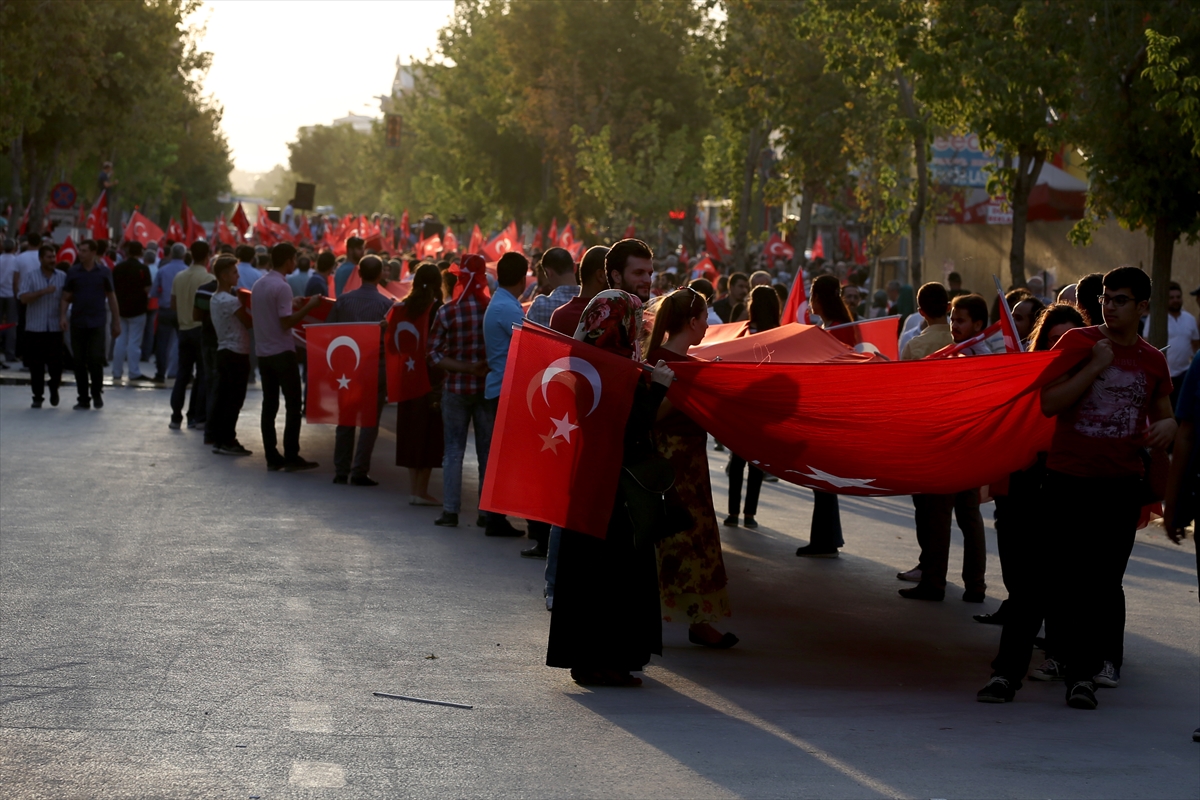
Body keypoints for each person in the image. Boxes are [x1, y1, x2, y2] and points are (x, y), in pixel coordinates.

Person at [1034, 267, 1175, 710]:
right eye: (1105, 299)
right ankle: (1066, 661)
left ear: (1142, 308)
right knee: (1063, 576)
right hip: (1068, 477)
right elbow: (1050, 403)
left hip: (1119, 484)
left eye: (1120, 300)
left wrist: (1168, 426)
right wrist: (1095, 365)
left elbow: (1164, 413)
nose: (1109, 306)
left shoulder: (1153, 360)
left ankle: (1091, 669)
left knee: (1103, 581)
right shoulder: (1078, 343)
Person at [546, 290, 675, 686]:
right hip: (614, 484)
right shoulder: (616, 364)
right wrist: (658, 389)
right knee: (613, 572)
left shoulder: (583, 356)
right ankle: (609, 661)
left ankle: (588, 659)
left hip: (588, 477)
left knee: (587, 569)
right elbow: (630, 427)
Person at [646, 286, 738, 649]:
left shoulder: (672, 359)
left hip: (689, 463)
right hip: (671, 463)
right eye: (704, 318)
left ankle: (700, 619)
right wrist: (691, 387)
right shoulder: (664, 362)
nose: (707, 325)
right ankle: (694, 619)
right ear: (693, 321)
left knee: (693, 541)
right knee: (682, 540)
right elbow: (654, 415)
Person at [428, 254, 501, 530]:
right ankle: (485, 512)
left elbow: (432, 355)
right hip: (486, 389)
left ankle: (450, 511)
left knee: (453, 450)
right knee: (485, 451)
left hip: (456, 388)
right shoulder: (492, 310)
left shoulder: (447, 312)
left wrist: (464, 368)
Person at [323, 254, 395, 485]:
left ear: (360, 273)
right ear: (380, 275)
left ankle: (341, 470)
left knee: (345, 417)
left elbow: (328, 331)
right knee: (369, 421)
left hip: (348, 369)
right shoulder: (387, 305)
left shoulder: (343, 301)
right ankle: (360, 471)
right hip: (376, 368)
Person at [795, 275, 852, 558]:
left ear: (819, 298)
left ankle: (825, 539)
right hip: (824, 409)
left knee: (822, 480)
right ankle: (827, 537)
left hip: (830, 411)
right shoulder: (830, 327)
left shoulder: (838, 330)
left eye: (812, 295)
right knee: (821, 481)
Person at [253, 242, 322, 472]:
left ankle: (272, 456)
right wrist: (309, 307)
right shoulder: (282, 287)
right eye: (294, 258)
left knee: (269, 405)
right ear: (288, 260)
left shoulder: (260, 284)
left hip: (264, 352)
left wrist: (292, 305)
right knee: (293, 404)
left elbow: (272, 313)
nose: (295, 262)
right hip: (282, 352)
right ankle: (291, 455)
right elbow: (286, 322)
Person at [478, 252, 529, 539]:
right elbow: (527, 343)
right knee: (501, 459)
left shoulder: (503, 303)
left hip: (499, 387)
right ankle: (494, 518)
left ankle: (492, 516)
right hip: (503, 389)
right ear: (523, 278)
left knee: (497, 457)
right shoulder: (507, 308)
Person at [725, 285, 779, 528]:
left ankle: (733, 513)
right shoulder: (782, 335)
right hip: (767, 406)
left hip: (744, 404)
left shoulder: (746, 331)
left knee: (737, 461)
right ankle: (750, 514)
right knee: (756, 463)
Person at [395, 262, 445, 506]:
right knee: (429, 432)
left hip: (407, 376)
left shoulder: (402, 308)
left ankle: (413, 489)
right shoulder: (438, 309)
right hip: (430, 379)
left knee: (411, 430)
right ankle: (422, 491)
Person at [60, 240, 120, 410]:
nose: (81, 253)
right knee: (79, 361)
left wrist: (116, 321)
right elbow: (65, 296)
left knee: (95, 359)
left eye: (85, 250)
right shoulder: (73, 272)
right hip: (78, 322)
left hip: (97, 322)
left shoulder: (104, 272)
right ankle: (83, 398)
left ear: (94, 253)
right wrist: (63, 316)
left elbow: (112, 297)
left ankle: (96, 392)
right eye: (80, 250)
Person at [207, 256, 253, 456]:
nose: (238, 275)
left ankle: (219, 437)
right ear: (224, 276)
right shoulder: (230, 301)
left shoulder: (216, 298)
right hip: (236, 352)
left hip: (224, 350)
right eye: (234, 272)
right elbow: (248, 322)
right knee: (234, 398)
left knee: (225, 396)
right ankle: (228, 438)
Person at [169, 241, 212, 431]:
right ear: (207, 256)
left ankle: (175, 416)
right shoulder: (208, 278)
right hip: (200, 330)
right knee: (202, 374)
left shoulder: (179, 277)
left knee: (182, 374)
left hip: (183, 330)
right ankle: (195, 416)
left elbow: (172, 304)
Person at [19, 244, 66, 407]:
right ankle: (37, 396)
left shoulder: (62, 276)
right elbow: (23, 298)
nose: (52, 260)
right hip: (35, 327)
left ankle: (54, 387)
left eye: (54, 257)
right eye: (49, 257)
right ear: (40, 259)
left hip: (54, 328)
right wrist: (43, 292)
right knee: (36, 365)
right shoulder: (30, 276)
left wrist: (63, 317)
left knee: (56, 364)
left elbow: (66, 300)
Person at [111, 241, 152, 384]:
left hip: (121, 308)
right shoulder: (143, 269)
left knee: (120, 340)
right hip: (138, 309)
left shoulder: (118, 268)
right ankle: (134, 372)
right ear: (141, 252)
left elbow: (113, 288)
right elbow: (147, 289)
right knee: (134, 342)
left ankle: (116, 371)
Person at [550, 246, 609, 335]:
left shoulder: (560, 316)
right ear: (601, 275)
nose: (618, 279)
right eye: (614, 274)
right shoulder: (612, 316)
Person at [151, 243, 188, 382]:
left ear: (171, 254)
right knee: (183, 343)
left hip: (165, 310)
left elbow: (154, 291)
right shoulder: (187, 271)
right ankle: (183, 372)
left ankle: (160, 373)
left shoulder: (162, 270)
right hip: (182, 311)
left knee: (162, 343)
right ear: (184, 255)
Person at [526, 247, 579, 327]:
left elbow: (527, 336)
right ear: (574, 267)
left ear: (548, 272)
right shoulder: (594, 303)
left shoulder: (539, 305)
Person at [1165, 281, 1199, 407]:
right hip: (1165, 374)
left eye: (1178, 297)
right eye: (1172, 297)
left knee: (1182, 408)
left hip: (1184, 374)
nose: (1175, 300)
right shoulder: (1158, 319)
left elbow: (1196, 345)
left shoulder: (1189, 319)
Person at [0, 236, 18, 365]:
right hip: (11, 294)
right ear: (14, 247)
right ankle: (10, 353)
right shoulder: (16, 261)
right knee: (12, 325)